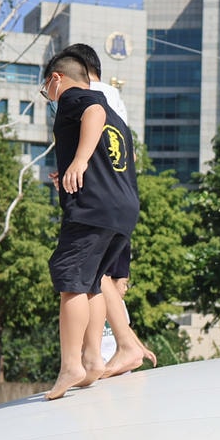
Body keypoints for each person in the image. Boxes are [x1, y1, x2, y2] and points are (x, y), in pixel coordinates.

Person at [41, 51, 141, 400]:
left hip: (91, 210)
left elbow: (92, 114)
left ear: (56, 78)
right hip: (121, 208)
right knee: (93, 283)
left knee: (70, 281)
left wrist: (80, 161)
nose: (50, 98)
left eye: (46, 90)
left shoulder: (76, 99)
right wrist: (74, 167)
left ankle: (71, 364)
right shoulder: (115, 113)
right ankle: (93, 359)